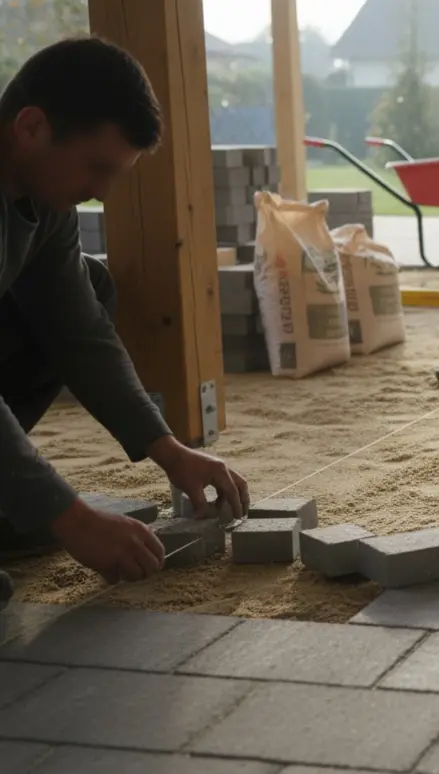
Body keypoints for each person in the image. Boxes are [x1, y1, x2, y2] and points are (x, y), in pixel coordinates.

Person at [0, 37, 250, 605]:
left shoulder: (47, 203)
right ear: (31, 127)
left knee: (92, 285)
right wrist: (70, 518)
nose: (101, 193)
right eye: (96, 168)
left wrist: (168, 447)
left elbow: (79, 331)